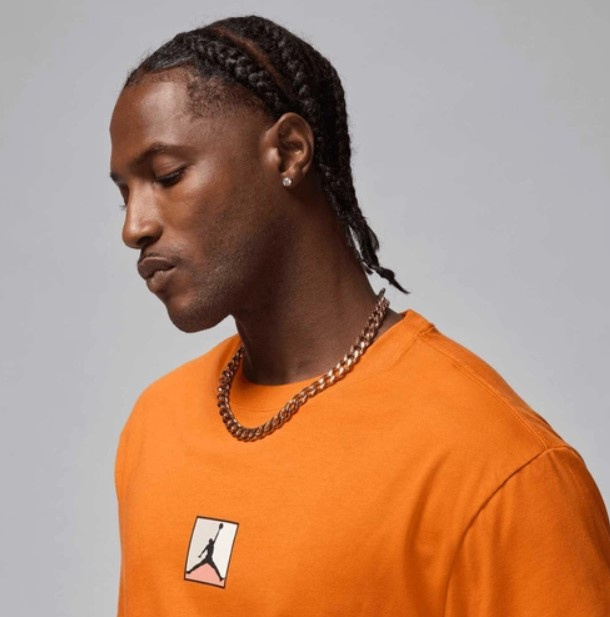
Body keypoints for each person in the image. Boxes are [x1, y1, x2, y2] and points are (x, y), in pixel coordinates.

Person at [108, 14, 610, 617]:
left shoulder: (498, 468)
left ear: (288, 151)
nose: (134, 226)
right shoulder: (156, 425)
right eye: (124, 193)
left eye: (167, 176)